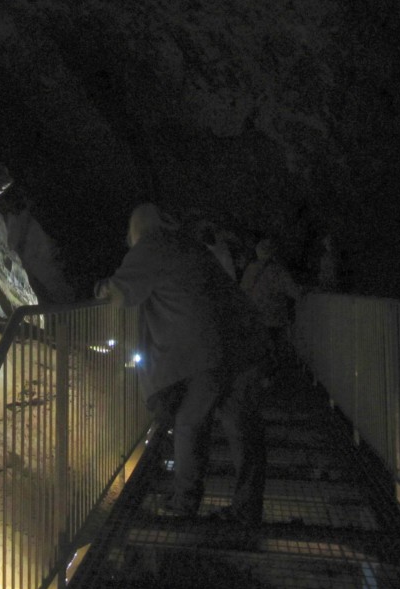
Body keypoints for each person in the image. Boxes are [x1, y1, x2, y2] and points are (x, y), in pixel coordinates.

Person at [95, 204, 270, 526]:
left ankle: (184, 504)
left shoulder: (151, 247)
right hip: (241, 342)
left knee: (190, 424)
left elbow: (120, 293)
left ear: (137, 229)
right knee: (242, 429)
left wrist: (100, 289)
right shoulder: (187, 245)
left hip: (210, 350)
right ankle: (247, 511)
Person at [240, 237, 301, 371]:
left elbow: (242, 292)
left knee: (262, 353)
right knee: (277, 351)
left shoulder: (250, 269)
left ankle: (265, 377)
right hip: (275, 318)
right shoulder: (278, 271)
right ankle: (277, 377)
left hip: (256, 318)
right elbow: (295, 292)